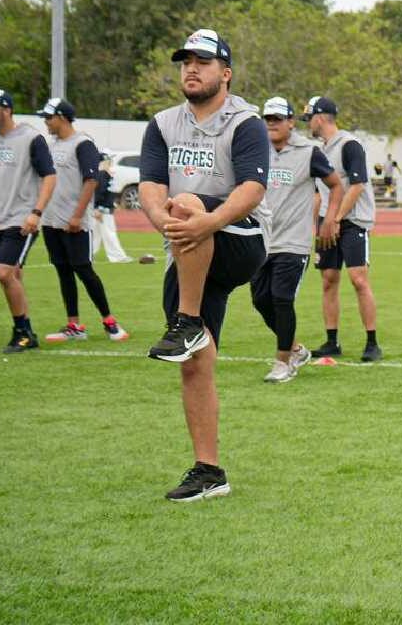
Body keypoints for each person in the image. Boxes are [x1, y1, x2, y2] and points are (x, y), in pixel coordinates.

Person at [138, 28, 270, 502]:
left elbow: (253, 191)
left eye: (203, 61)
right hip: (189, 247)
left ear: (226, 73)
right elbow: (151, 187)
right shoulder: (163, 123)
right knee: (194, 364)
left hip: (241, 238)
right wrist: (166, 223)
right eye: (185, 61)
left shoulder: (246, 122)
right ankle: (209, 471)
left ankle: (188, 321)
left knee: (189, 202)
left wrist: (202, 221)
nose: (191, 68)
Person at [251, 96, 343, 382]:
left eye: (278, 119)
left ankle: (282, 363)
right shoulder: (257, 151)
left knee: (281, 298)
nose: (272, 124)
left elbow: (336, 185)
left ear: (291, 122)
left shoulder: (309, 151)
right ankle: (295, 349)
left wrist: (330, 219)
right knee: (260, 300)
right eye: (268, 119)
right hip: (262, 239)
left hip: (294, 241)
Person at [35, 98, 129, 343]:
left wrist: (77, 215)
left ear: (63, 117)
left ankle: (110, 322)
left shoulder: (83, 143)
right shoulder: (50, 144)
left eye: (49, 117)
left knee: (84, 270)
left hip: (75, 223)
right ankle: (74, 325)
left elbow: (91, 180)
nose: (45, 122)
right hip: (51, 222)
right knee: (63, 271)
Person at [301, 96, 381, 362]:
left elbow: (357, 186)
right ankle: (331, 341)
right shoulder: (319, 151)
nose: (308, 124)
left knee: (358, 279)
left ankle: (372, 342)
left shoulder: (350, 145)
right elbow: (317, 192)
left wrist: (336, 218)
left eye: (309, 118)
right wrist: (317, 225)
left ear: (320, 118)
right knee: (328, 280)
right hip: (328, 222)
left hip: (353, 220)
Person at [0, 88, 56, 354]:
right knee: (12, 274)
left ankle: (24, 331)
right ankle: (24, 331)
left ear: (6, 109)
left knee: (4, 272)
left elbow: (49, 177)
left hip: (20, 219)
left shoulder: (31, 138)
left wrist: (36, 212)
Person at [90, 153, 133, 263]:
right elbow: (99, 193)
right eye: (108, 161)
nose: (109, 163)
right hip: (103, 210)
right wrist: (98, 208)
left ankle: (87, 256)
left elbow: (105, 193)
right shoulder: (102, 174)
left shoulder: (103, 174)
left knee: (95, 235)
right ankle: (117, 256)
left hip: (101, 209)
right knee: (109, 233)